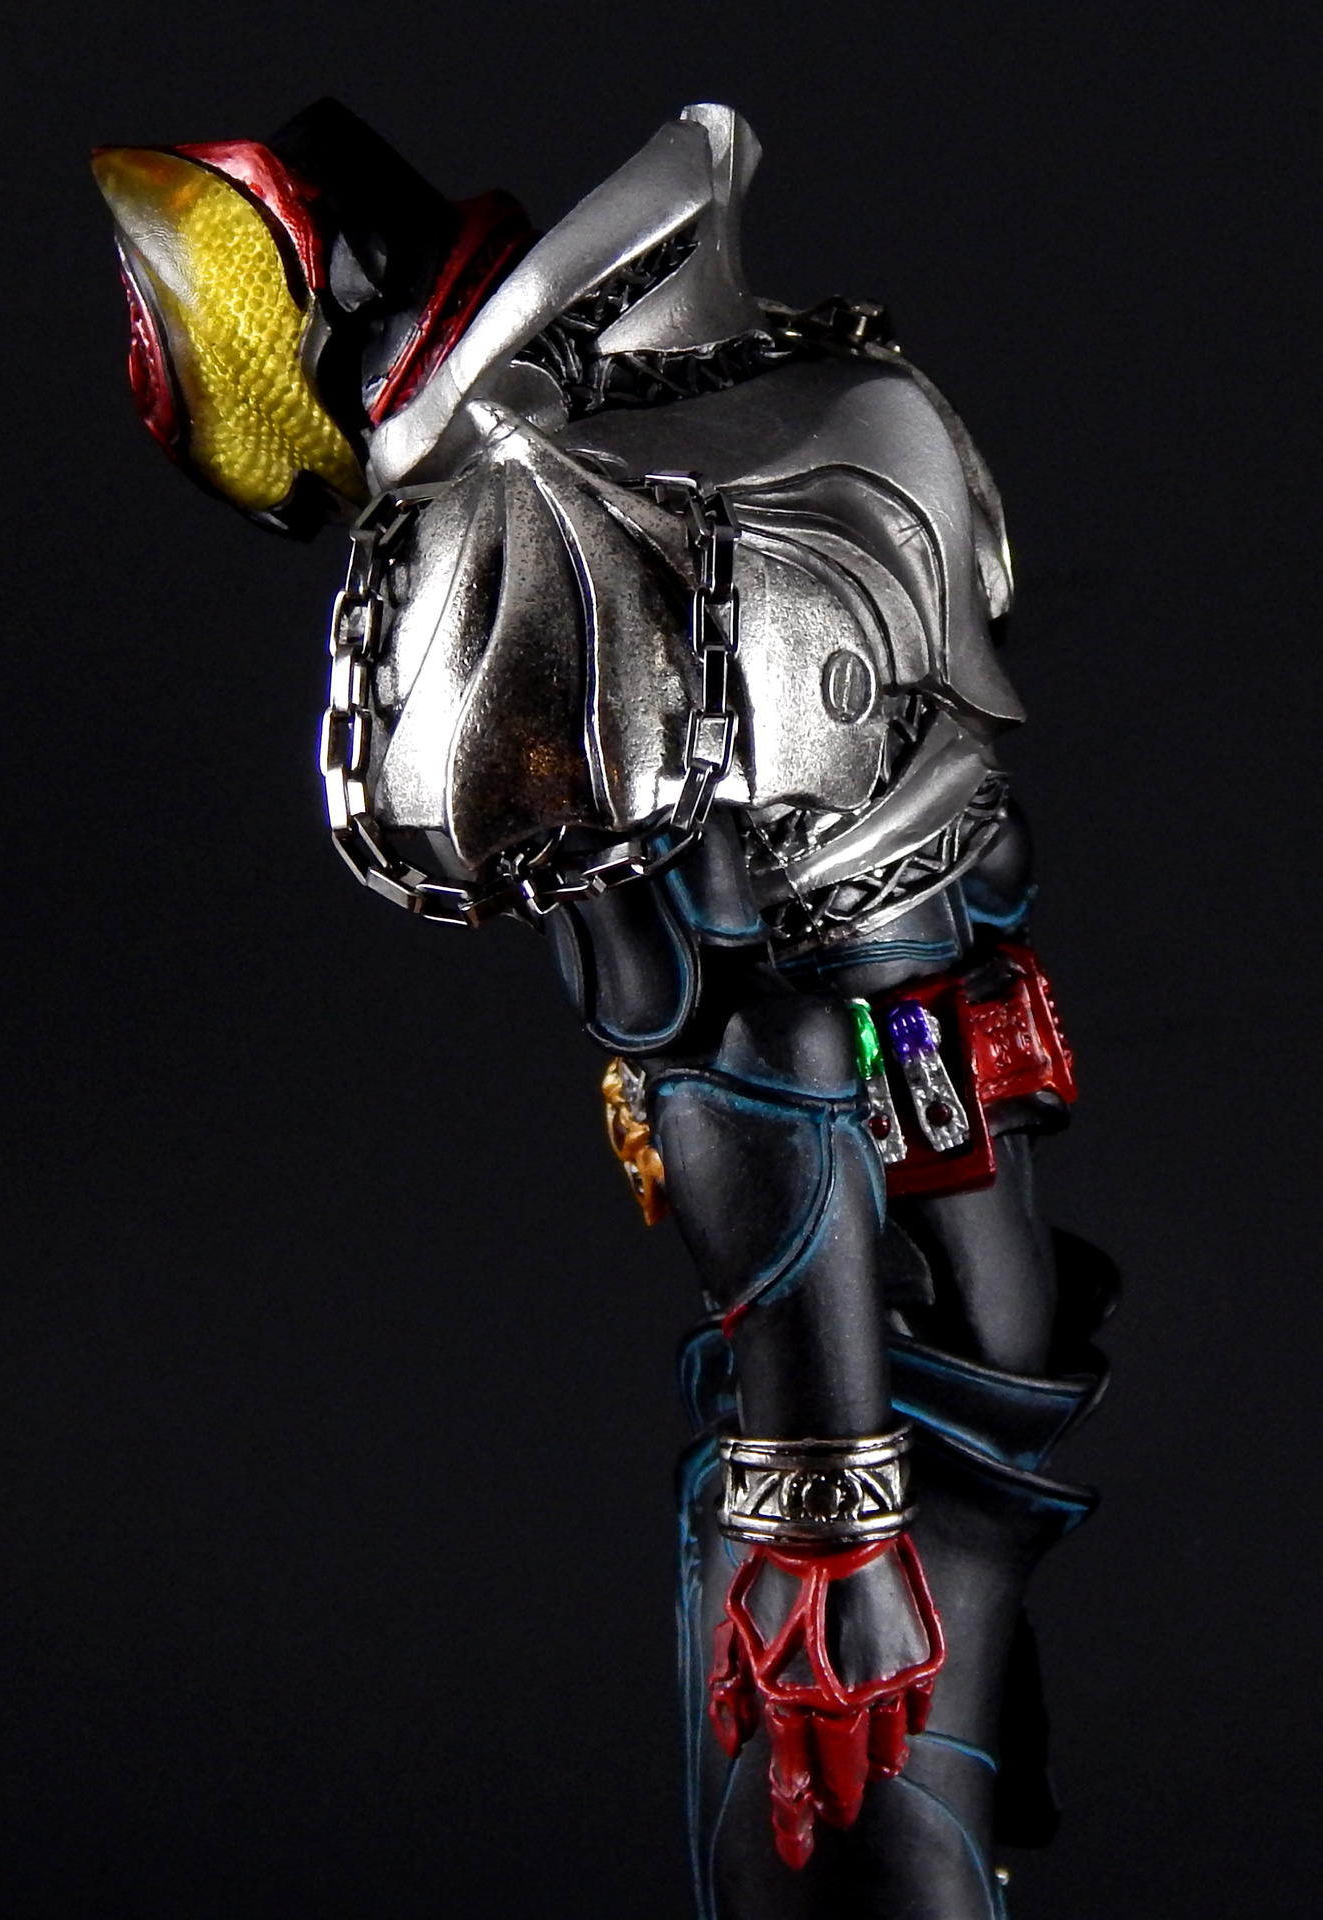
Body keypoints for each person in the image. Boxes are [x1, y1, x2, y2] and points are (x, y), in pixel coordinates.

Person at [94, 96, 1111, 1919]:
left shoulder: (551, 502)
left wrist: (822, 1504)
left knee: (827, 1793)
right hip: (980, 1272)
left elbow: (745, 1035)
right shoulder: (834, 383)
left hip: (862, 1339)